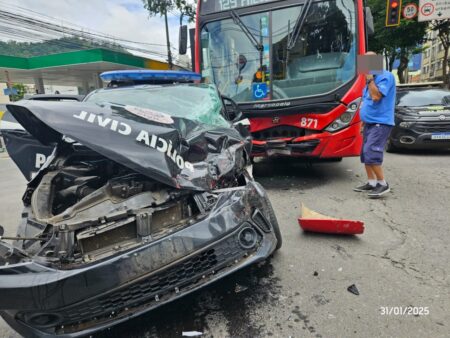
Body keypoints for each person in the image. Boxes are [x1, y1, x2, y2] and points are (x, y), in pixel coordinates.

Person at [353, 52, 396, 198]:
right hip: (370, 123)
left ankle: (382, 184)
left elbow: (376, 97)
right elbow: (367, 103)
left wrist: (370, 78)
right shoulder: (369, 83)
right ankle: (371, 183)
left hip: (381, 123)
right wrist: (363, 122)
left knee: (372, 152)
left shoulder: (385, 76)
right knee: (365, 154)